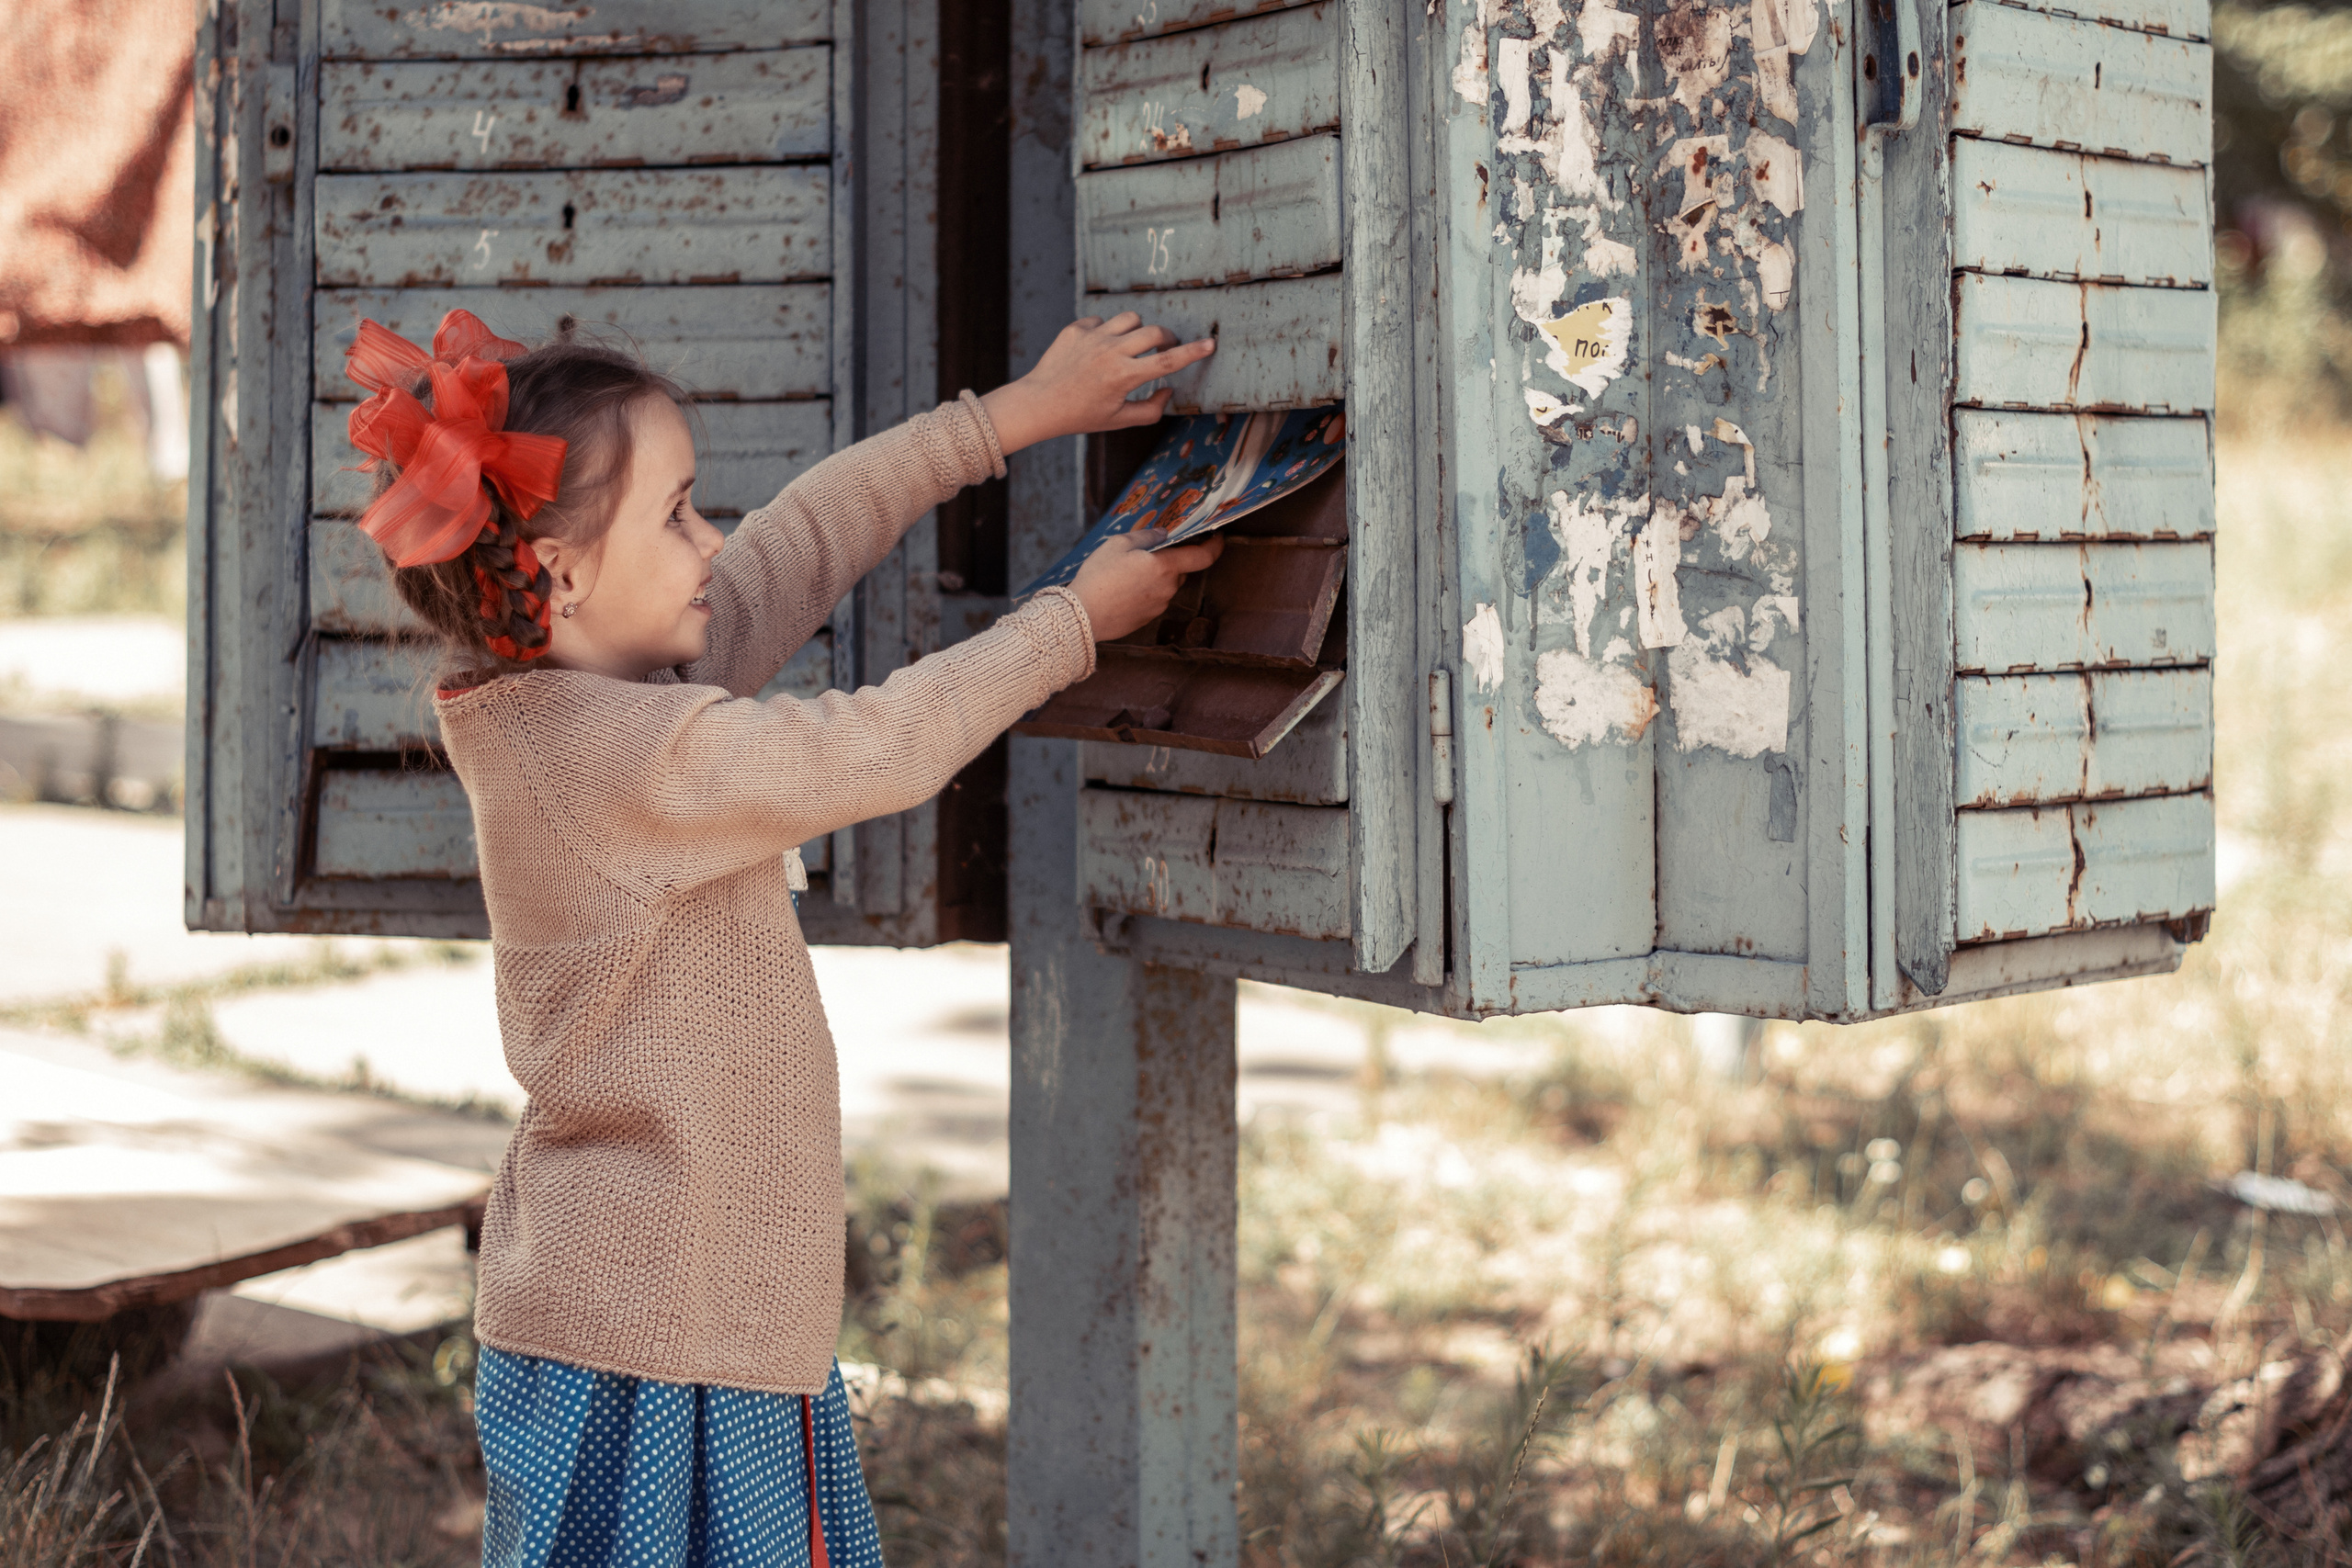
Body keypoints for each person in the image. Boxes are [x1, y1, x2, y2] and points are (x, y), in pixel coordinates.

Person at [342, 305, 1220, 1567]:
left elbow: (807, 538)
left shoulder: (601, 699)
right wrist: (1070, 623)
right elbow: (878, 743)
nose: (714, 543)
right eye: (679, 515)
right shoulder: (622, 753)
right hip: (664, 1334)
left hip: (665, 1313)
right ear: (564, 571)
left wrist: (1019, 413)